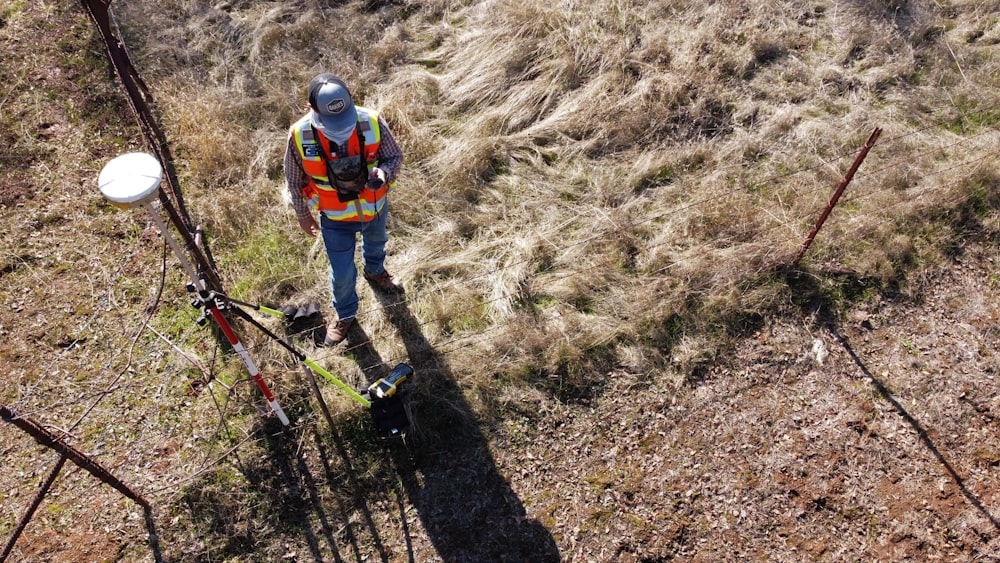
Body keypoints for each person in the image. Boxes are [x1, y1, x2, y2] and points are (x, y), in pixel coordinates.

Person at [284, 73, 404, 346]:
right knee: (342, 274)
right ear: (312, 108)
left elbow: (394, 156)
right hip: (334, 217)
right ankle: (346, 314)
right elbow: (294, 179)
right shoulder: (299, 135)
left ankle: (375, 271)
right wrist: (303, 215)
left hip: (374, 208)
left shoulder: (371, 120)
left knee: (377, 243)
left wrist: (384, 173)